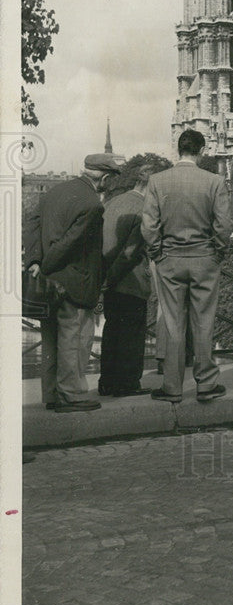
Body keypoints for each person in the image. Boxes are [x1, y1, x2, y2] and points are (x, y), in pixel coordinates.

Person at [23, 152, 126, 412]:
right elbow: (71, 242)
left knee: (50, 339)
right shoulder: (92, 204)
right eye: (111, 179)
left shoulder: (53, 193)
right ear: (104, 178)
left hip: (46, 283)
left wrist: (35, 261)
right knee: (74, 337)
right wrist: (47, 264)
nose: (110, 184)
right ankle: (72, 395)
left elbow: (31, 224)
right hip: (74, 281)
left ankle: (51, 394)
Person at [141, 130, 232, 403]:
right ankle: (206, 384)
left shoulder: (158, 181)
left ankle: (172, 386)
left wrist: (159, 253)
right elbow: (225, 225)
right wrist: (216, 252)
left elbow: (148, 227)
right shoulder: (215, 181)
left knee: (172, 322)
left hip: (170, 259)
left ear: (178, 150)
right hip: (205, 258)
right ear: (201, 150)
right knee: (204, 321)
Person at [98, 165, 154, 397]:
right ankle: (127, 383)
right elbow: (130, 253)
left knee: (112, 332)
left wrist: (104, 280)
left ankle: (107, 382)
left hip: (108, 279)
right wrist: (111, 279)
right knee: (132, 333)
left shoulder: (112, 202)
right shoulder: (144, 210)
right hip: (130, 281)